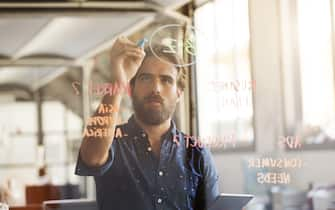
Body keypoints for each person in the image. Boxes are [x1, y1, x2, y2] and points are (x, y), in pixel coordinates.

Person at [75, 37, 220, 210]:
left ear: (179, 93)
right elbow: (92, 157)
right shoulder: (111, 141)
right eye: (145, 78)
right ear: (131, 88)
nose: (156, 88)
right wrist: (119, 80)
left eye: (166, 80)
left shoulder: (198, 154)